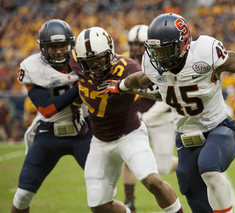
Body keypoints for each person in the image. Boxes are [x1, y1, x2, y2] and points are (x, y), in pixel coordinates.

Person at [97, 13, 235, 213]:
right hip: (186, 137)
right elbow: (140, 79)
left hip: (219, 129)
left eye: (166, 50)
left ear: (183, 44)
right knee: (190, 188)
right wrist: (120, 86)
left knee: (208, 167)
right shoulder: (153, 64)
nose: (160, 57)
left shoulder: (205, 53)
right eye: (157, 51)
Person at [70, 26, 184, 213]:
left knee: (153, 181)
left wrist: (124, 87)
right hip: (99, 141)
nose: (96, 64)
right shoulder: (75, 61)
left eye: (100, 57)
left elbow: (160, 93)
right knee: (99, 206)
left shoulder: (128, 68)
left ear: (110, 52)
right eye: (89, 61)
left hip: (129, 134)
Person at [12, 19, 92, 213]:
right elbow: (47, 109)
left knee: (104, 193)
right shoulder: (32, 67)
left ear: (71, 45)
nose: (58, 51)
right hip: (49, 132)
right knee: (22, 195)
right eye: (52, 46)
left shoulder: (86, 60)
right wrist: (82, 85)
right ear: (43, 48)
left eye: (62, 45)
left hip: (83, 130)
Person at [121, 24, 178, 211]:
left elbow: (168, 97)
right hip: (136, 119)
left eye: (140, 44)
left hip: (161, 119)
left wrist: (146, 115)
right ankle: (129, 200)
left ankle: (188, 162)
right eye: (133, 44)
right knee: (129, 158)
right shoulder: (124, 62)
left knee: (162, 167)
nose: (136, 48)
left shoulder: (163, 60)